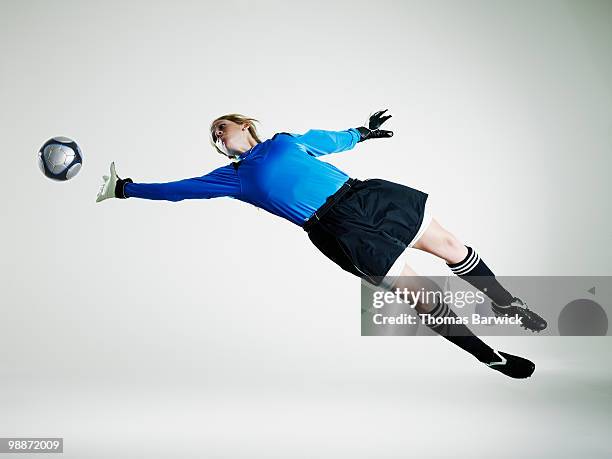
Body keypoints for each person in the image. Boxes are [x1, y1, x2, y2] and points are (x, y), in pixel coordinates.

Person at [96, 110, 547, 379]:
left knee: (451, 246)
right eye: (213, 136)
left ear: (244, 123)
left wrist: (362, 133)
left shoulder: (285, 142)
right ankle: (490, 356)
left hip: (366, 196)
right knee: (423, 297)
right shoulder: (232, 179)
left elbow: (331, 141)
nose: (218, 135)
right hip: (335, 230)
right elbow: (178, 188)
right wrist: (126, 189)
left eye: (222, 126)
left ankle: (506, 303)